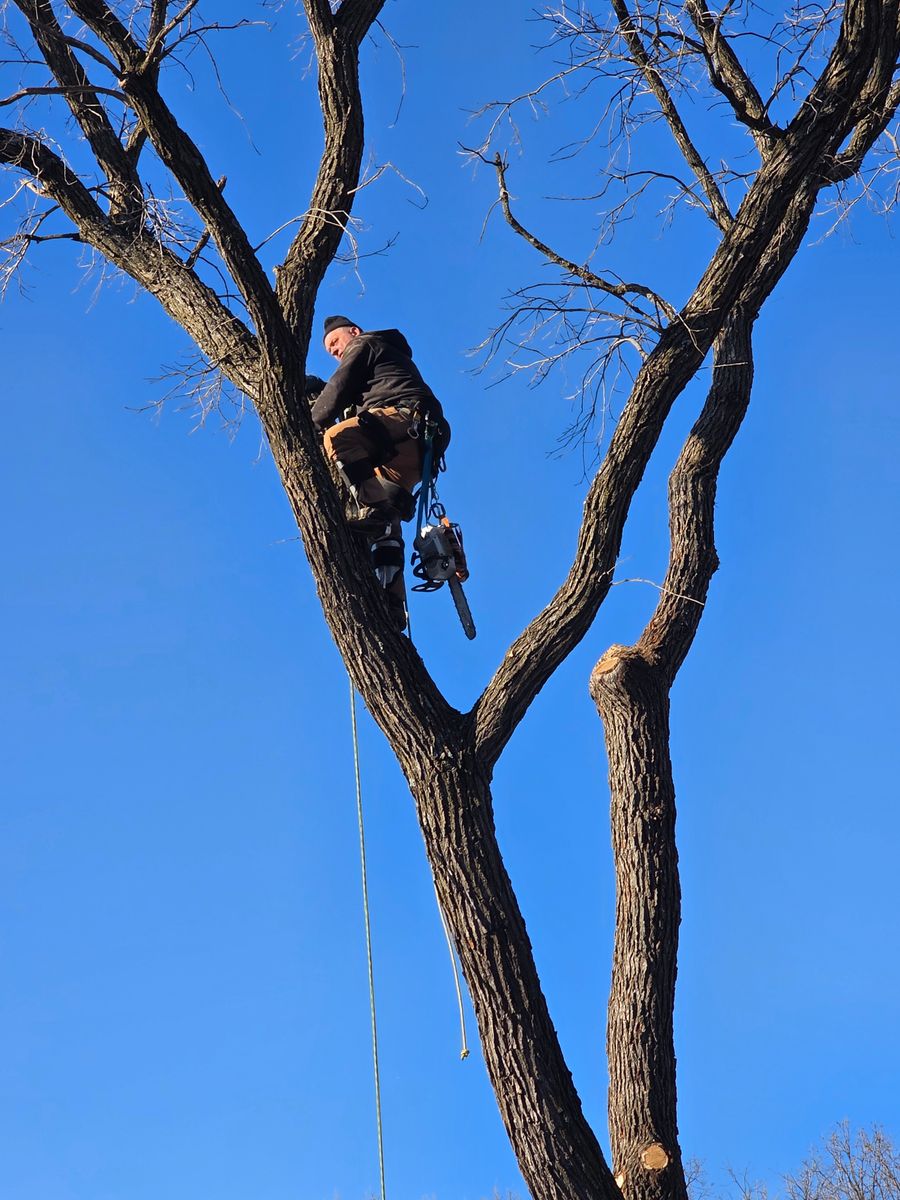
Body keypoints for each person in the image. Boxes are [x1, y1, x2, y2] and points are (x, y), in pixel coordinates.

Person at [310, 315, 449, 629]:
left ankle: (374, 507)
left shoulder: (366, 343)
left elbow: (339, 387)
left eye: (334, 343)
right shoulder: (379, 370)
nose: (333, 351)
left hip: (406, 420)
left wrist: (311, 420)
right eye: (328, 349)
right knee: (385, 529)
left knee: (337, 437)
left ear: (353, 333)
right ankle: (392, 605)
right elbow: (347, 398)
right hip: (409, 448)